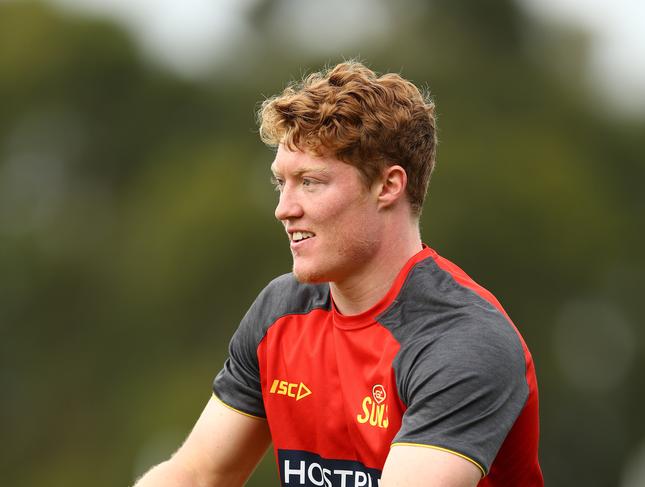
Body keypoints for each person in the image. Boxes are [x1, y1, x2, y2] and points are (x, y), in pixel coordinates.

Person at [133, 61, 543, 487]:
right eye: (281, 184)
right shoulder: (281, 312)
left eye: (310, 182)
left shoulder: (463, 341)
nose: (284, 209)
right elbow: (198, 475)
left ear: (388, 186)